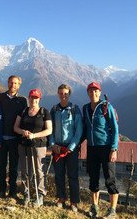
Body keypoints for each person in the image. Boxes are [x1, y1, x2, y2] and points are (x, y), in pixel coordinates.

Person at [83, 82, 119, 219]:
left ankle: (112, 210)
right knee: (93, 178)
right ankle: (94, 207)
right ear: (88, 93)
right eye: (91, 91)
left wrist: (114, 148)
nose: (93, 93)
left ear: (100, 92)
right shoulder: (85, 108)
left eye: (96, 91)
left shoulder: (106, 106)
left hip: (106, 148)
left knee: (110, 179)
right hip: (91, 148)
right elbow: (85, 129)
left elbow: (115, 129)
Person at [14, 88, 52, 206]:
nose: (33, 100)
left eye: (36, 98)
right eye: (32, 97)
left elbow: (49, 130)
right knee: (25, 170)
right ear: (29, 98)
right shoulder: (24, 111)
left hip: (39, 145)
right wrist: (23, 132)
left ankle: (40, 194)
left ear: (39, 99)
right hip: (23, 144)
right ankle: (26, 193)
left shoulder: (44, 112)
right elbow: (15, 127)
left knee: (38, 170)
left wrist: (34, 135)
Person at [48, 84, 83, 212]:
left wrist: (72, 146)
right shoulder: (54, 109)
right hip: (57, 148)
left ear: (69, 94)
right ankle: (61, 198)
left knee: (73, 175)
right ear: (58, 94)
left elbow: (79, 130)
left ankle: (74, 201)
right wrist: (52, 144)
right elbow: (50, 129)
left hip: (71, 149)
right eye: (61, 93)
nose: (63, 96)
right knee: (59, 174)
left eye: (66, 93)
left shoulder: (75, 109)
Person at [0, 75, 27, 199]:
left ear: (19, 85)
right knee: (1, 166)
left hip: (15, 139)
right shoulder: (0, 98)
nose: (13, 85)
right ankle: (2, 190)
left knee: (13, 167)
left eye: (15, 83)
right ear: (7, 83)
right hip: (1, 138)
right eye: (11, 82)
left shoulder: (22, 100)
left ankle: (12, 192)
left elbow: (24, 119)